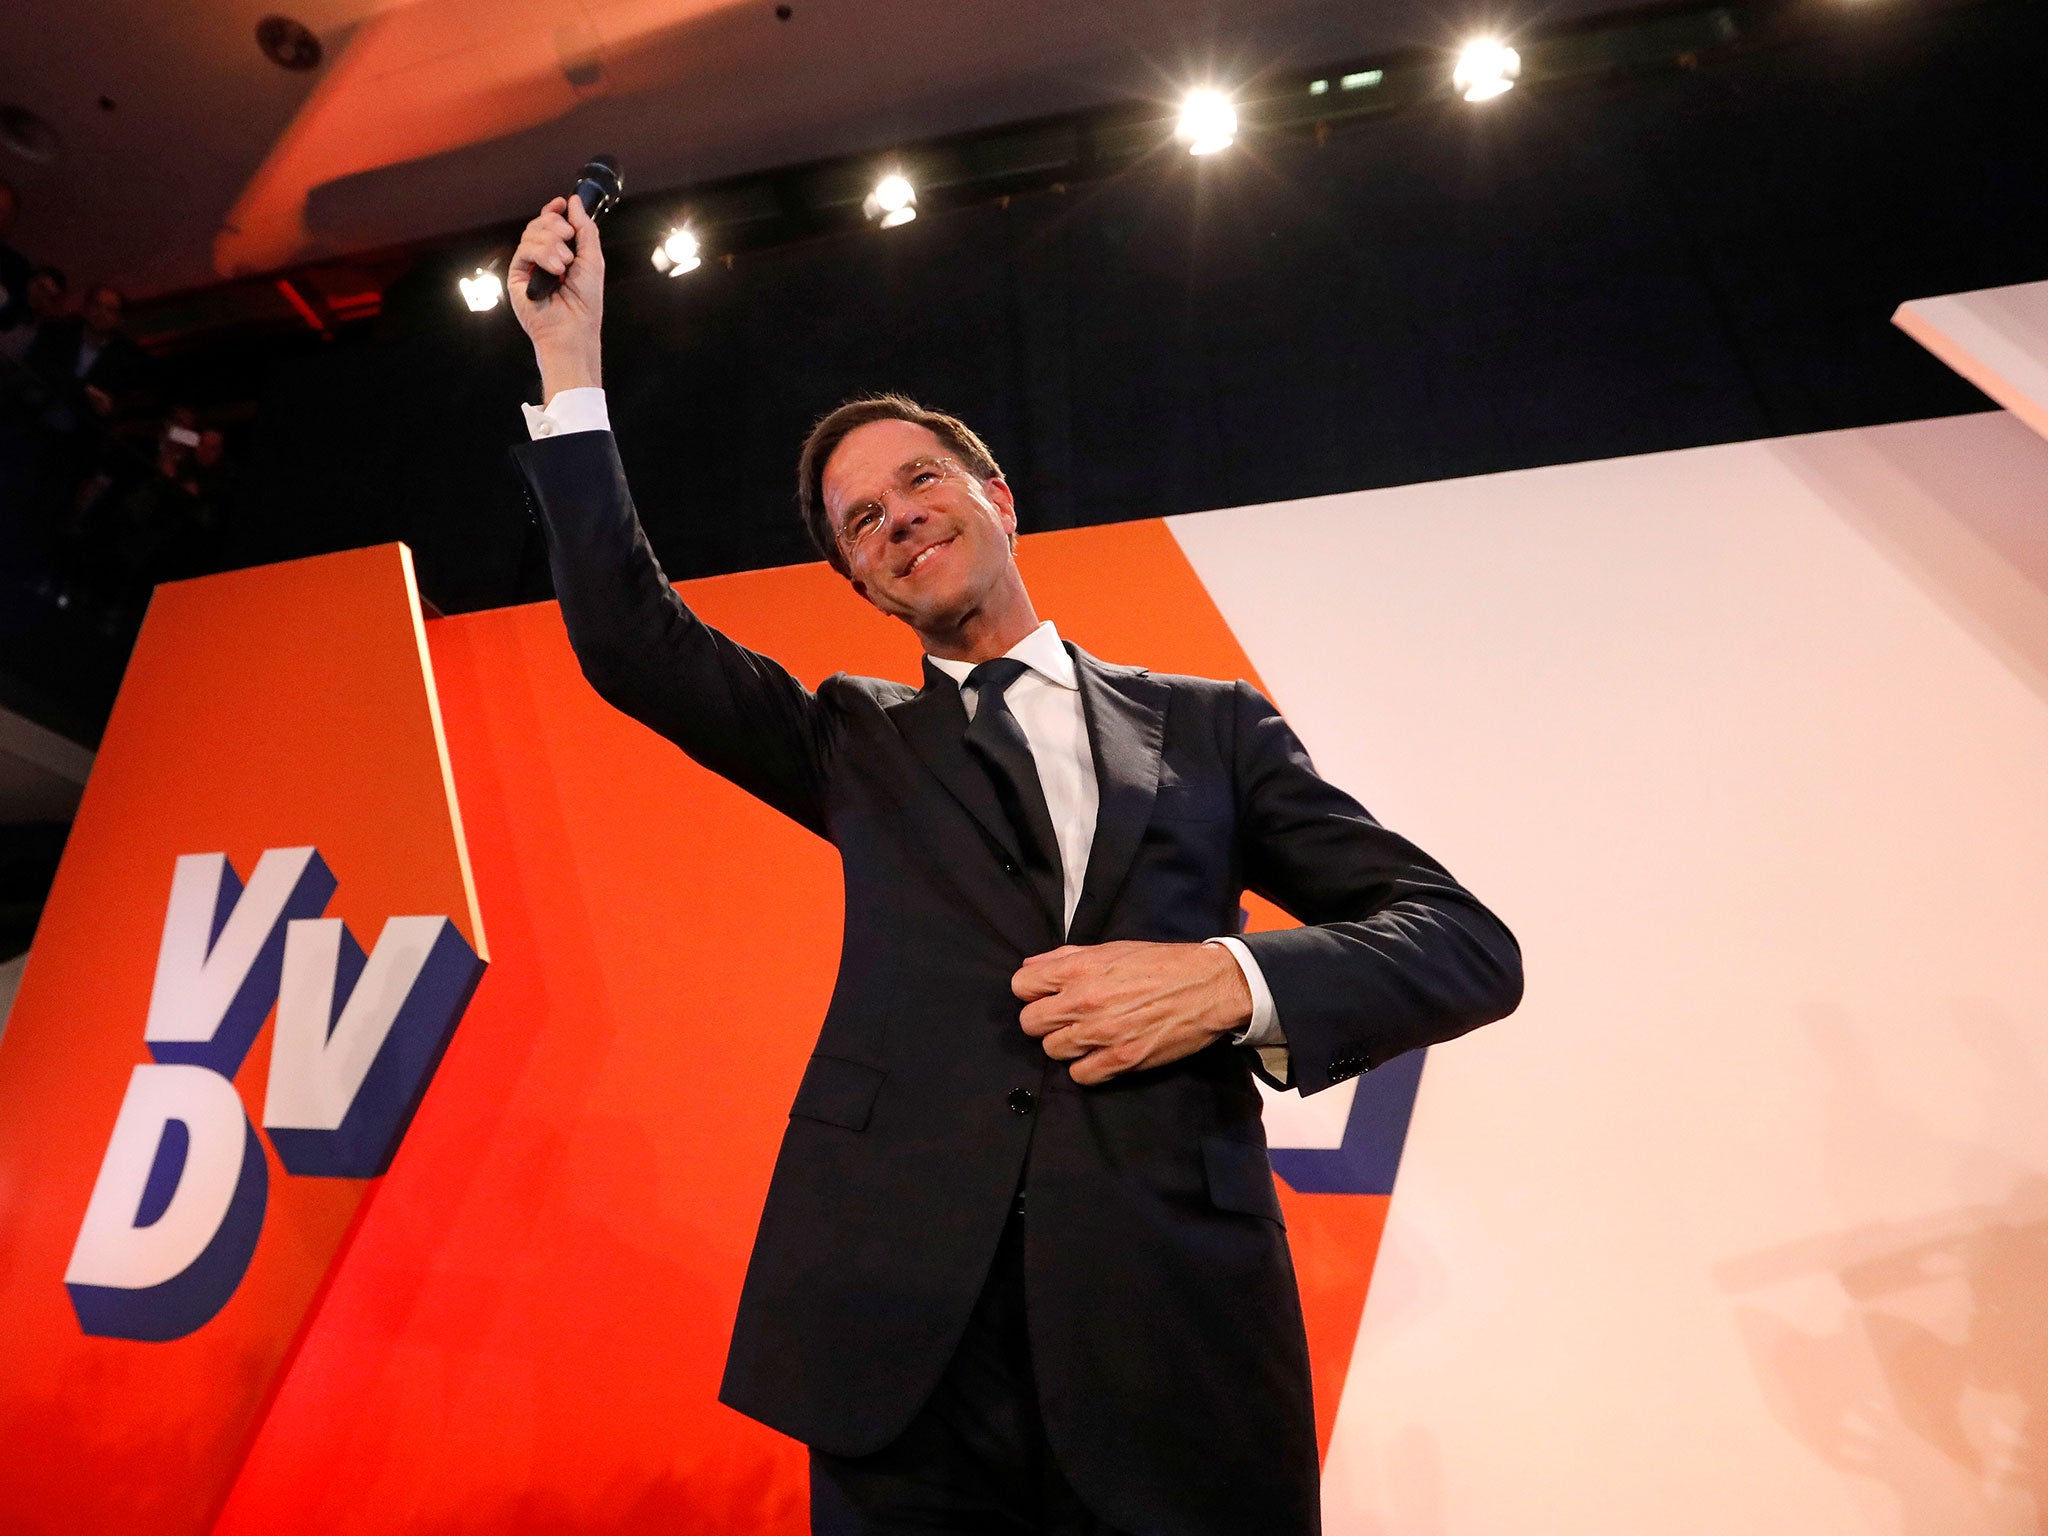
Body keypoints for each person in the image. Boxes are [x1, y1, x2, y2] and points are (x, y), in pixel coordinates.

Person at [506, 193, 1523, 1536]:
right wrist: (569, 363)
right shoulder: (847, 742)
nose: (897, 519)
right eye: (859, 521)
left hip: (1171, 1333)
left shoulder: (1211, 727)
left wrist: (1224, 982)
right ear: (861, 584)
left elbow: (1462, 940)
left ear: (996, 494)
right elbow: (631, 637)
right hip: (901, 1343)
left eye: (920, 479)